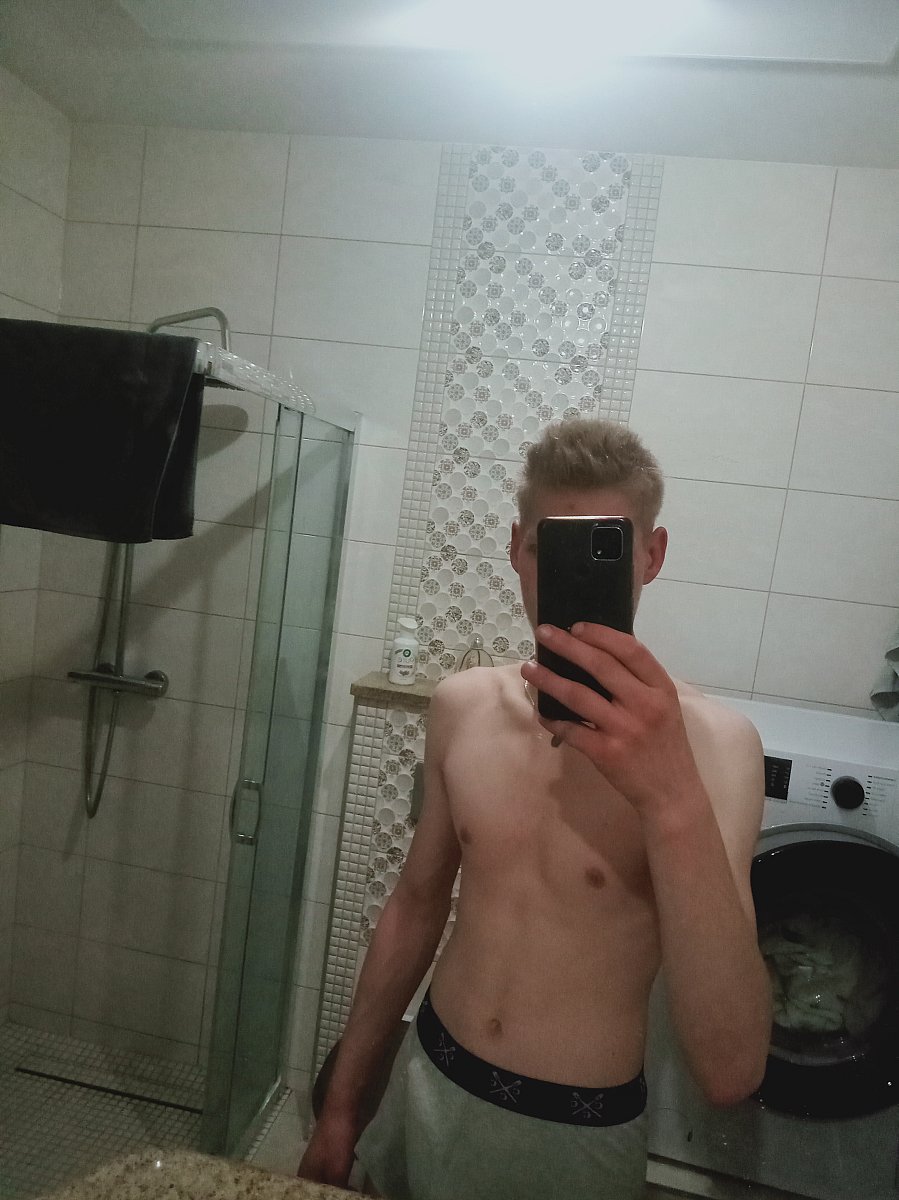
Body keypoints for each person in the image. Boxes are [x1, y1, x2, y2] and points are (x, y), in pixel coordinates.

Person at [298, 418, 773, 1199]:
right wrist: (344, 1106)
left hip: (574, 1136)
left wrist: (669, 794)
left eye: (605, 547)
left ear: (650, 556)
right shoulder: (461, 706)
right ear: (517, 548)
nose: (567, 572)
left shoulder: (717, 748)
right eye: (549, 547)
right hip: (425, 1082)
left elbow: (729, 1070)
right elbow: (414, 906)